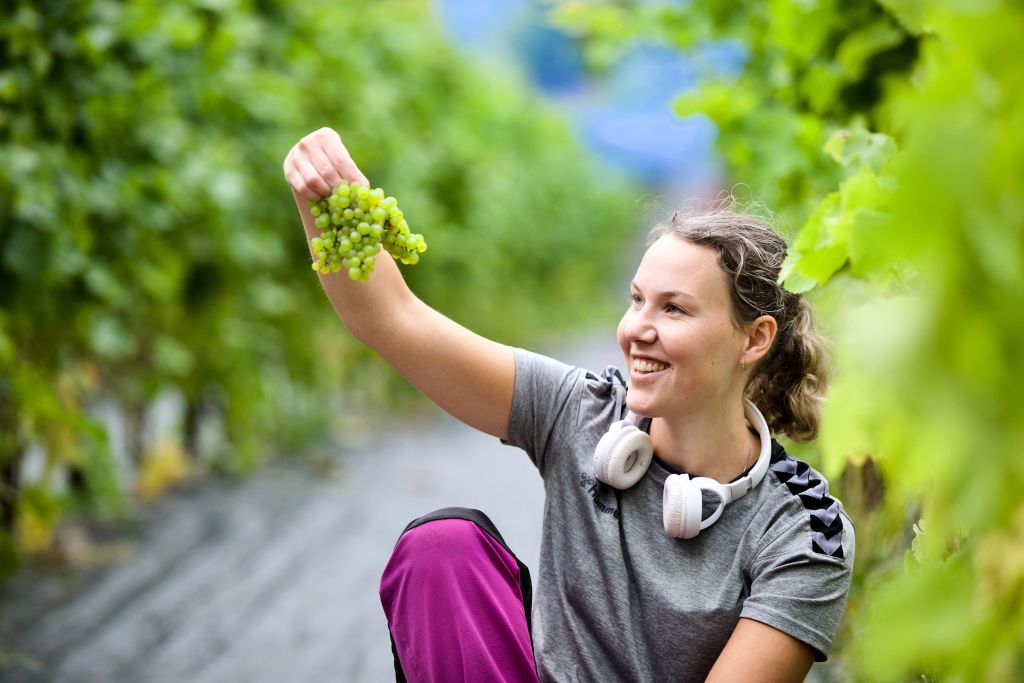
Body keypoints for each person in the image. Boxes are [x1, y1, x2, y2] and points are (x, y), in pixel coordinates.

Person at [283, 127, 854, 682]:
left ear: (754, 339)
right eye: (636, 301)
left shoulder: (803, 531)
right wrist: (327, 197)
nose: (637, 330)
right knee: (443, 548)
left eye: (673, 309)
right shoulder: (582, 413)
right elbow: (393, 318)